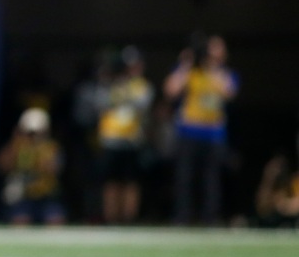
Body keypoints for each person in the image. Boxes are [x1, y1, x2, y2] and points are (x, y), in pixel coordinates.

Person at [164, 33, 239, 225]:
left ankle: (210, 217)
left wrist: (213, 67)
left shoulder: (225, 73)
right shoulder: (190, 71)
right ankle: (182, 216)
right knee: (184, 178)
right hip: (189, 131)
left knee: (211, 179)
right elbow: (170, 90)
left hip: (213, 134)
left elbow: (229, 92)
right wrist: (185, 64)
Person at [94, 46, 154, 225]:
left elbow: (143, 104)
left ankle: (128, 218)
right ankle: (111, 218)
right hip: (111, 139)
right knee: (111, 182)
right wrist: (111, 80)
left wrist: (126, 88)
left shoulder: (141, 85)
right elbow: (99, 103)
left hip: (132, 141)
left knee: (131, 182)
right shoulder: (109, 84)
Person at [0, 108, 66, 226]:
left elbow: (55, 169)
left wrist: (38, 155)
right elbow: (1, 166)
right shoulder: (16, 146)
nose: (32, 137)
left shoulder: (51, 148)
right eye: (30, 133)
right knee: (20, 221)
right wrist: (16, 144)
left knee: (55, 221)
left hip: (46, 196)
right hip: (23, 196)